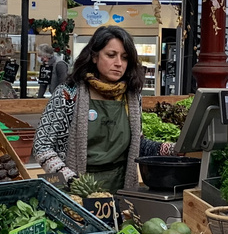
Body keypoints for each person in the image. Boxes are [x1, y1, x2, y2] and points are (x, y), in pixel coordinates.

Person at [33, 26, 174, 192]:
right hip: (75, 191)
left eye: (125, 57)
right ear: (94, 56)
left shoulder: (132, 97)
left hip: (121, 190)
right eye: (111, 55)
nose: (118, 63)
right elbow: (42, 146)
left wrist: (171, 149)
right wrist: (71, 180)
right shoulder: (68, 94)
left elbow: (137, 143)